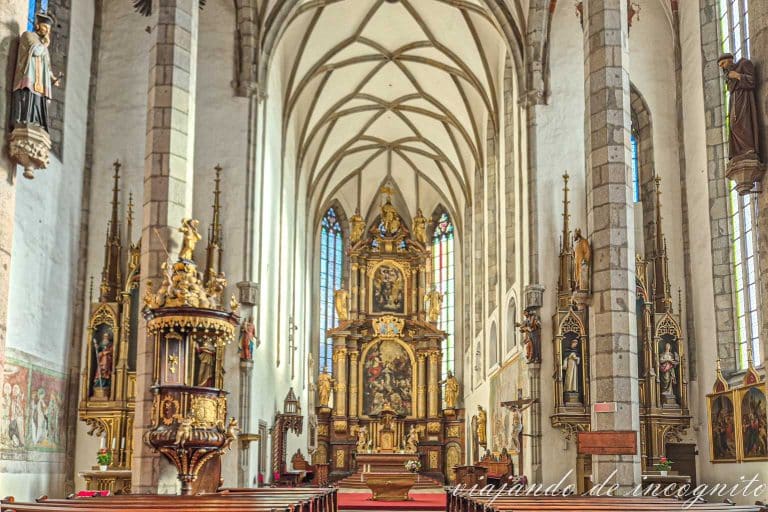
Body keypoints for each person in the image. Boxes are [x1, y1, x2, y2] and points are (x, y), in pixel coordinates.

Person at [11, 12, 58, 132]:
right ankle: (24, 121)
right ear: (37, 25)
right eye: (45, 27)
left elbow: (47, 66)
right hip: (29, 76)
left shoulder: (43, 45)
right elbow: (36, 52)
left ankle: (36, 122)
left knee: (37, 102)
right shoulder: (28, 35)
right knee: (28, 99)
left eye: (49, 29)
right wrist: (45, 45)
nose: (47, 31)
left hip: (40, 83)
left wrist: (53, 78)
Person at [718, 53, 760, 162]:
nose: (722, 67)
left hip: (745, 100)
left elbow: (752, 81)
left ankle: (749, 149)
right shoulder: (728, 76)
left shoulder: (744, 63)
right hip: (734, 102)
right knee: (733, 125)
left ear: (730, 60)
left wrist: (738, 76)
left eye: (723, 63)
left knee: (744, 123)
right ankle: (739, 151)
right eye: (720, 66)